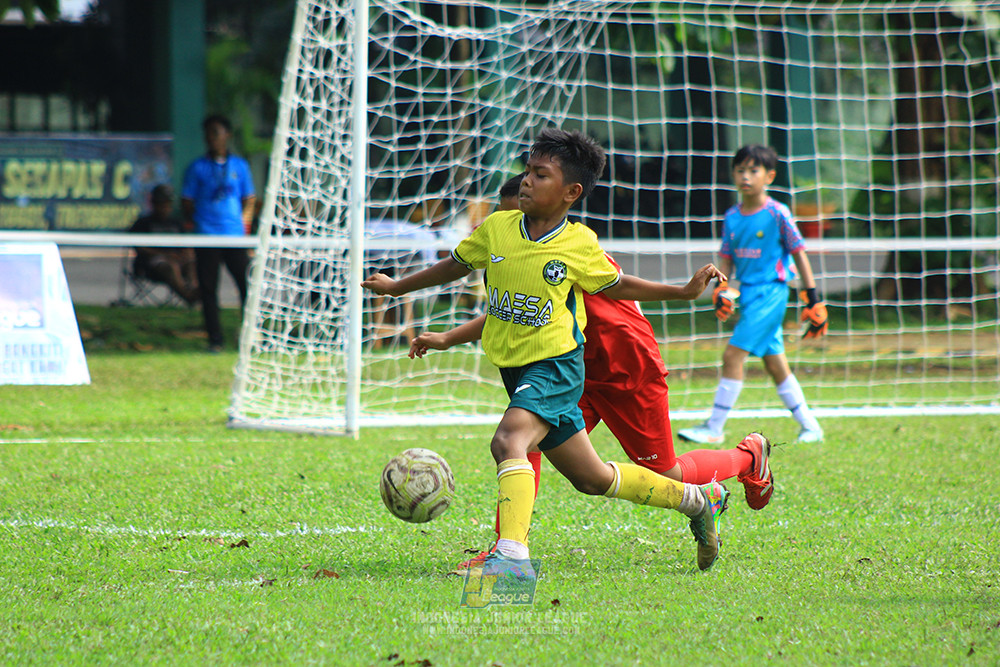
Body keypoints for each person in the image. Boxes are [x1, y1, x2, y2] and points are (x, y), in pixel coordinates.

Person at [363, 128, 731, 573]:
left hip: (555, 367)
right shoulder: (498, 228)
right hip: (515, 370)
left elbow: (619, 286)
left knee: (509, 441)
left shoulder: (578, 244)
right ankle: (698, 500)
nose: (527, 181)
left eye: (541, 174)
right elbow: (455, 266)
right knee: (592, 479)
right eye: (527, 171)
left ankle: (510, 559)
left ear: (571, 192)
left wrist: (682, 291)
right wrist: (398, 286)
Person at [678, 144, 827, 445]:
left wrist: (813, 298)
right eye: (740, 170)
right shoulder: (732, 215)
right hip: (747, 295)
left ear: (769, 176)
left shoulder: (777, 213)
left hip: (772, 293)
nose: (746, 176)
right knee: (775, 363)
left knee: (733, 354)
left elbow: (800, 254)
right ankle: (810, 426)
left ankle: (714, 427)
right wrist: (721, 288)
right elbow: (727, 258)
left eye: (753, 170)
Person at [181, 114, 256, 353]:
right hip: (207, 236)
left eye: (215, 132)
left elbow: (250, 199)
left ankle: (250, 336)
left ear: (227, 135)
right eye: (207, 133)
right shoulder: (197, 167)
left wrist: (243, 226)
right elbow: (187, 201)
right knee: (208, 290)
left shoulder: (240, 166)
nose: (210, 138)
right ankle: (215, 340)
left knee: (247, 286)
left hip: (234, 236)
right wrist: (202, 221)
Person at [127, 184, 198, 305]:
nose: (165, 207)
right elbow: (139, 247)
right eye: (161, 204)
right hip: (151, 265)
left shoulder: (176, 222)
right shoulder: (143, 223)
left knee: (192, 263)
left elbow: (187, 244)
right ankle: (188, 297)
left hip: (178, 260)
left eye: (167, 203)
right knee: (170, 265)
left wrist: (186, 254)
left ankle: (196, 292)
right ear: (154, 204)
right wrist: (166, 255)